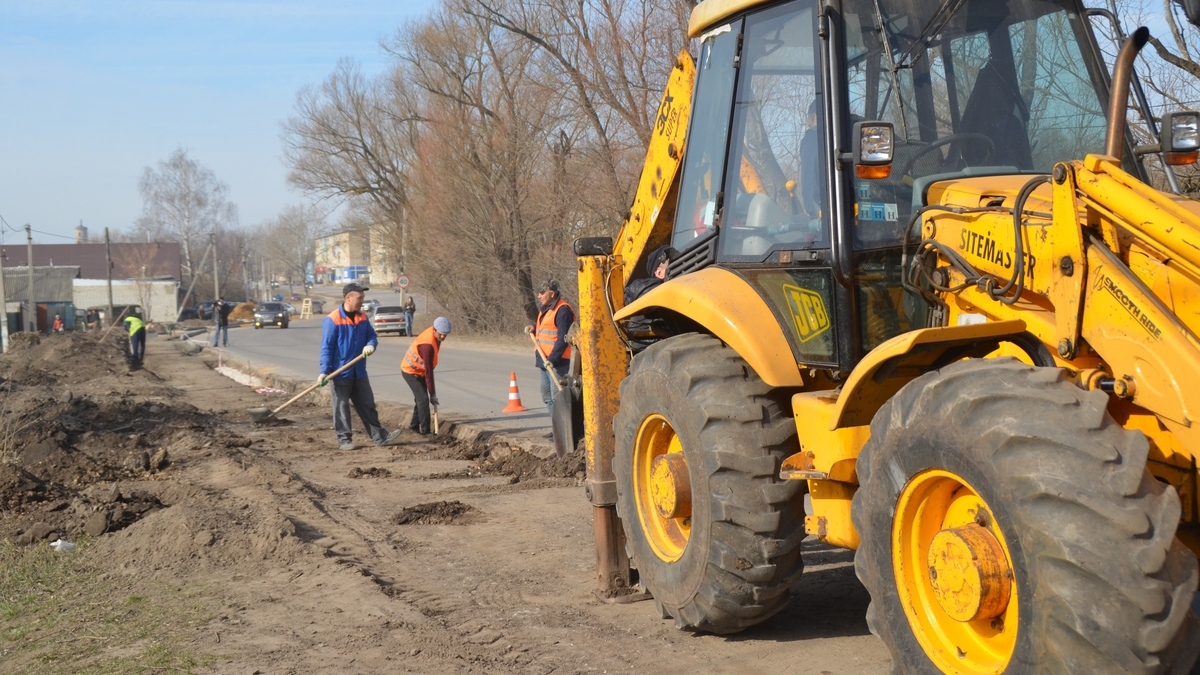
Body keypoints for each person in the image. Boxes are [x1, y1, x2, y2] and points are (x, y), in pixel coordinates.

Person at [318, 283, 402, 451]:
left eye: (362, 298)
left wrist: (371, 344)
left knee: (367, 404)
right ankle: (344, 440)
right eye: (360, 298)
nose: (362, 301)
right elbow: (327, 347)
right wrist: (324, 371)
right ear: (348, 297)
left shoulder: (362, 316)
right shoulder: (333, 319)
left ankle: (379, 436)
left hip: (359, 370)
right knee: (341, 408)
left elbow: (371, 335)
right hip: (340, 372)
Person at [525, 280, 575, 421]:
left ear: (552, 293)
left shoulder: (563, 310)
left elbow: (563, 338)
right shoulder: (547, 309)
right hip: (543, 360)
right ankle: (556, 429)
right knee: (547, 396)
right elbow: (546, 329)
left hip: (556, 362)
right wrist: (534, 328)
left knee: (557, 397)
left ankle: (563, 431)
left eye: (542, 293)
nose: (539, 296)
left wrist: (553, 359)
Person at [400, 316, 450, 435]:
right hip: (410, 371)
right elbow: (429, 372)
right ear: (434, 330)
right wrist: (432, 394)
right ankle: (426, 431)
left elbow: (428, 370)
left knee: (420, 399)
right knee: (423, 399)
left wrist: (431, 392)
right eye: (441, 334)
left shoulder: (435, 336)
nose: (443, 337)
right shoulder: (427, 346)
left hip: (420, 370)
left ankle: (413, 426)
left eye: (445, 334)